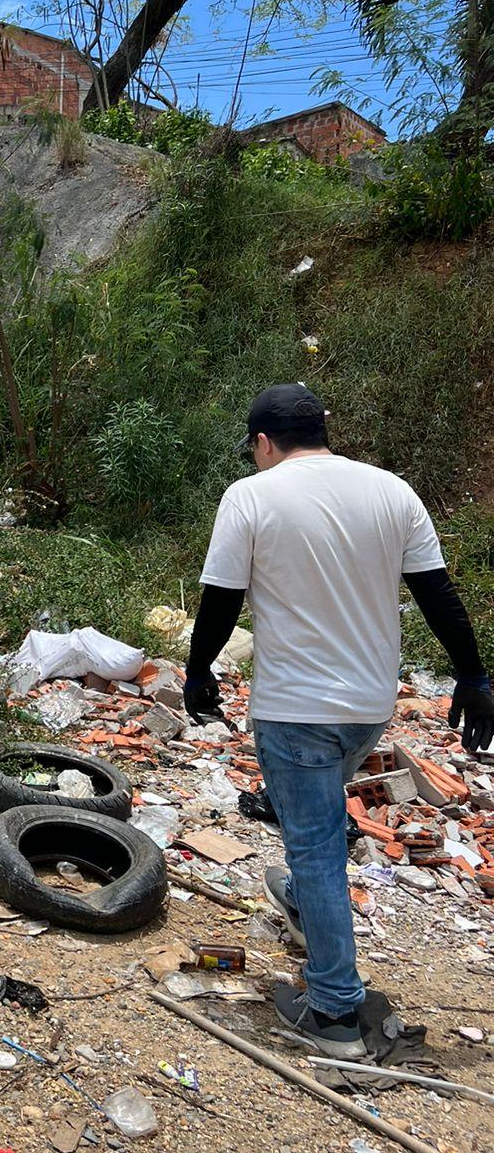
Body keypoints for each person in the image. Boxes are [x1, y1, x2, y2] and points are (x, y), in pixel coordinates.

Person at [183, 383, 494, 1059]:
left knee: (317, 844)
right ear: (322, 429)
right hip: (369, 707)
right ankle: (302, 900)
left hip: (295, 709)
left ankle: (331, 1009)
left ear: (263, 442)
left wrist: (198, 670)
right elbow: (437, 593)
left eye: (254, 450)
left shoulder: (252, 496)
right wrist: (473, 674)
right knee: (316, 826)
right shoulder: (392, 491)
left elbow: (221, 600)